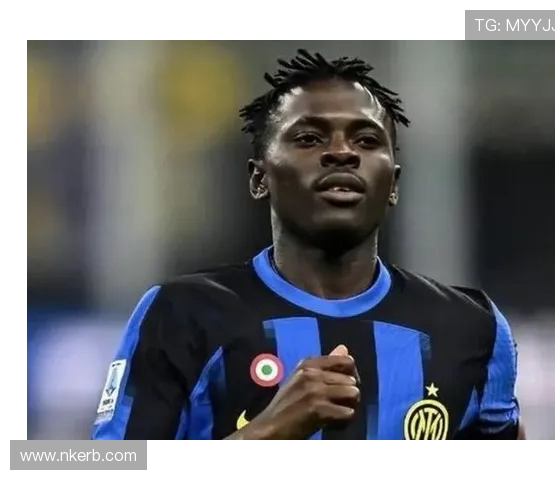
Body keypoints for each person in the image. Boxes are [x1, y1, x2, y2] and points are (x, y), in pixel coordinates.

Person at [91, 49, 524, 440]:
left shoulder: (472, 328)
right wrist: (271, 432)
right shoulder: (182, 315)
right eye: (309, 138)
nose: (342, 153)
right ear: (259, 178)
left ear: (393, 184)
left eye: (366, 140)